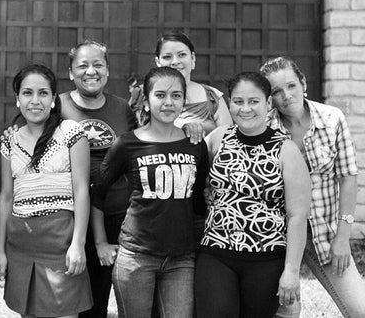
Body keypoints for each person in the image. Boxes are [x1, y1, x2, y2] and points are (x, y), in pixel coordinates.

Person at [93, 66, 209, 318]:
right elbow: (98, 192)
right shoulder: (127, 143)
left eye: (176, 96)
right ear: (146, 102)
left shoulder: (195, 145)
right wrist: (101, 241)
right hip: (136, 257)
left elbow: (199, 203)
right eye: (160, 95)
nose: (168, 102)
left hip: (182, 259)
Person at [195, 72, 311, 318]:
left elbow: (297, 216)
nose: (245, 108)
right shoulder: (218, 139)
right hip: (216, 253)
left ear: (268, 104)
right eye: (238, 101)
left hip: (266, 258)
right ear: (230, 103)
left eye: (254, 101)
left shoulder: (286, 149)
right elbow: (193, 178)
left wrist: (291, 271)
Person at [260, 57, 365, 318]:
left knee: (360, 310)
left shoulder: (332, 119)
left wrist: (343, 237)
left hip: (327, 234)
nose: (286, 96)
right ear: (269, 97)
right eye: (276, 91)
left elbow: (349, 177)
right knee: (287, 312)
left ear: (303, 83)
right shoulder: (264, 130)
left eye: (291, 86)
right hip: (278, 241)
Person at [0, 64, 93, 317]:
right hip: (21, 245)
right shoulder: (9, 140)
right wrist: (2, 251)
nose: (34, 101)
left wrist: (78, 244)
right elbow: (6, 197)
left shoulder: (70, 132)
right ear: (17, 99)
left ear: (53, 100)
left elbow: (81, 190)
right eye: (27, 93)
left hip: (61, 242)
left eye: (43, 93)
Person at [60, 41, 137, 318]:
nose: (90, 71)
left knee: (105, 292)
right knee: (76, 295)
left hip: (116, 213)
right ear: (70, 73)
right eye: (82, 65)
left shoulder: (123, 109)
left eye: (98, 64)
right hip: (70, 216)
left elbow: (138, 153)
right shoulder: (58, 106)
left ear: (107, 70)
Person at [130, 30, 232, 139]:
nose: (175, 62)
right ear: (158, 62)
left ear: (193, 58)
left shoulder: (213, 97)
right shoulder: (141, 95)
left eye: (182, 55)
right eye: (167, 57)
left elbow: (228, 142)